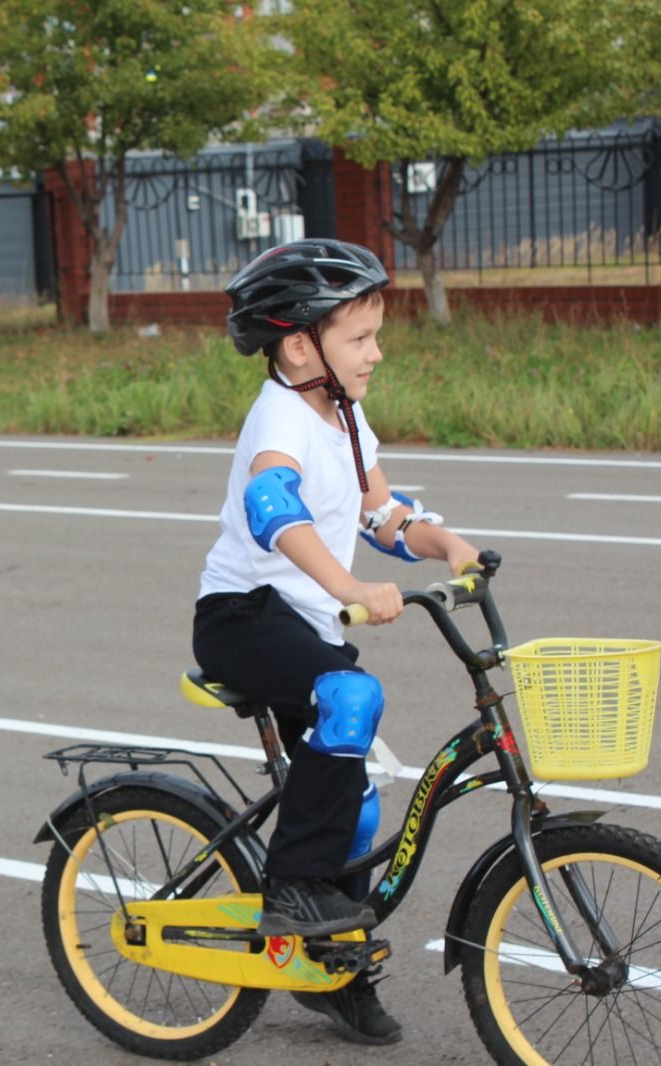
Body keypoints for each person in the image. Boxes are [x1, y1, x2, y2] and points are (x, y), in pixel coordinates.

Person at [192, 239, 479, 1046]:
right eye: (360, 338)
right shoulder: (279, 416)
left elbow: (379, 514)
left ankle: (331, 969)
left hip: (303, 625)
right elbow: (274, 507)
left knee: (357, 813)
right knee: (354, 697)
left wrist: (448, 543)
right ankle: (292, 890)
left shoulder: (344, 414)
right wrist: (349, 588)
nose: (376, 352)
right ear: (298, 345)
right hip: (242, 616)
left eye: (376, 335)